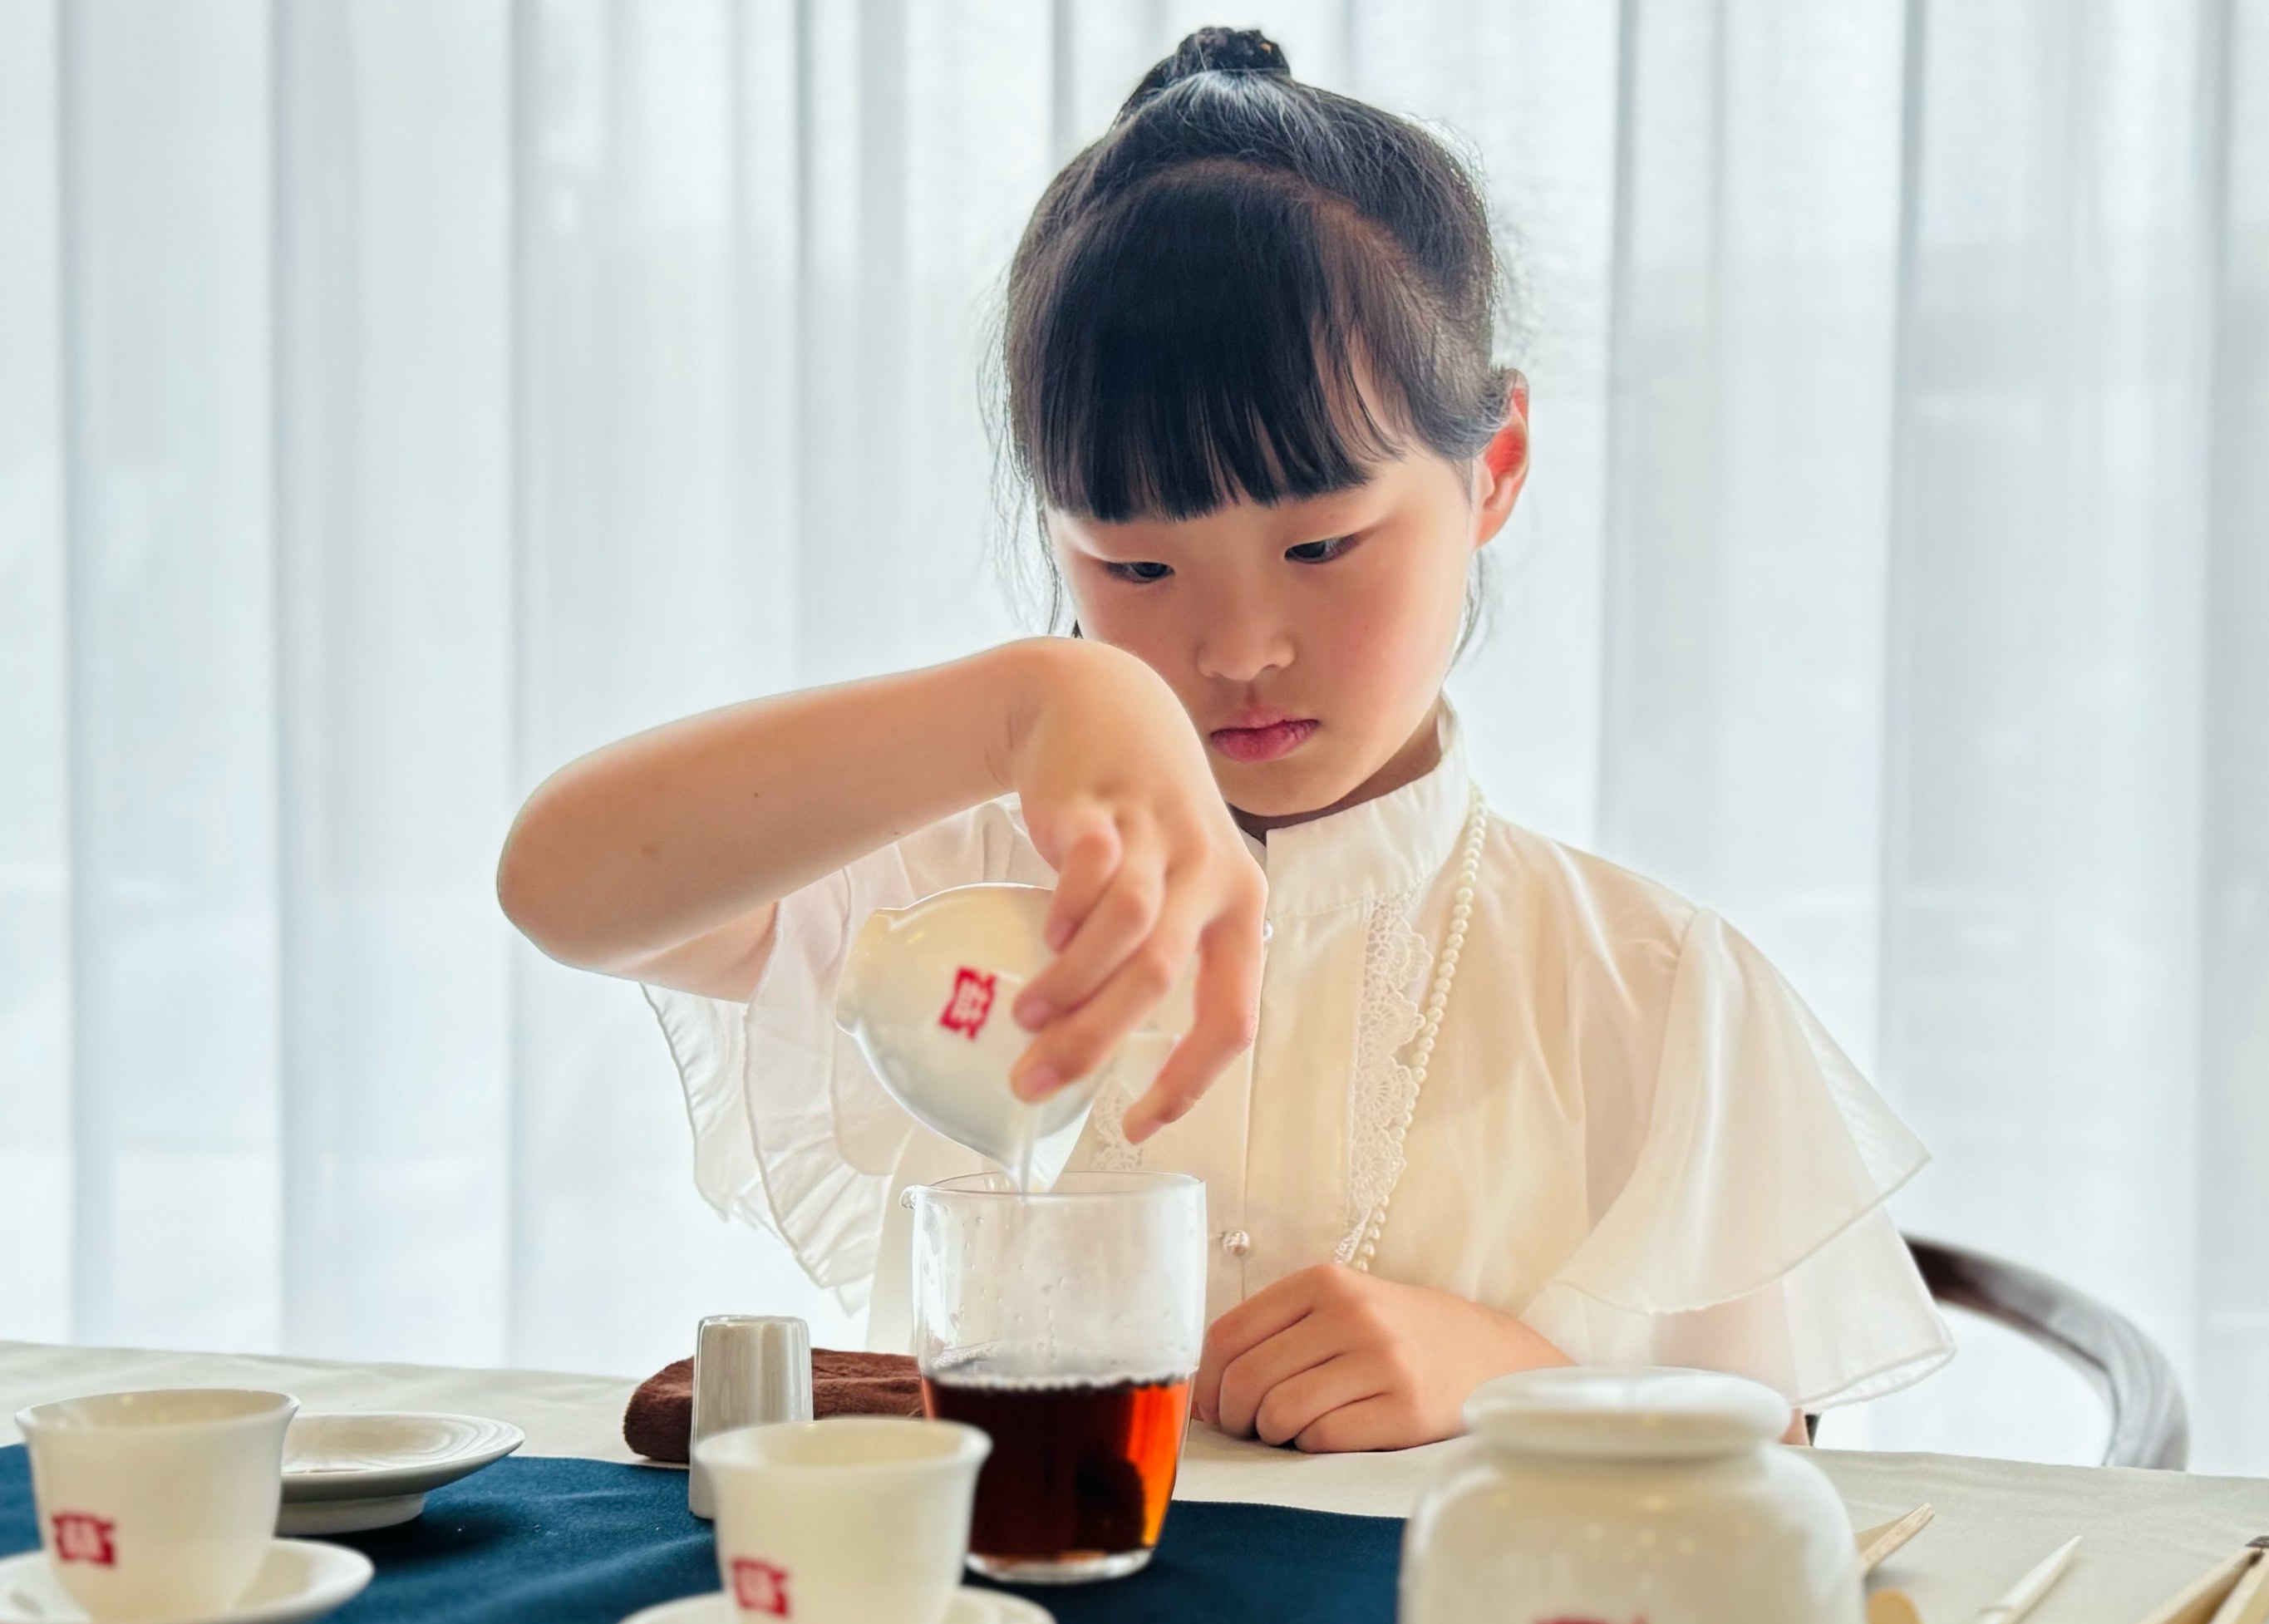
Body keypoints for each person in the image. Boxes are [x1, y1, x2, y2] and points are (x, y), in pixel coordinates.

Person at [497, 27, 1951, 1453]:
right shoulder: (931, 904)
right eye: (1135, 567)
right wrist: (1023, 707)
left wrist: (1523, 1377)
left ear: (1492, 464)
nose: (1238, 648)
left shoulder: (1649, 987)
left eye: (1320, 544)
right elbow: (563, 887)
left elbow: (1774, 1484)